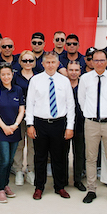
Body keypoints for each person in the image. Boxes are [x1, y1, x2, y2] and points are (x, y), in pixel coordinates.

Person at [24, 51, 75, 200]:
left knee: (59, 157)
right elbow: (30, 103)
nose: (51, 65)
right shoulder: (35, 80)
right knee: (40, 157)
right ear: (43, 64)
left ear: (58, 64)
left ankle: (59, 187)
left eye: (53, 62)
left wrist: (69, 126)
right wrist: (30, 124)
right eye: (48, 62)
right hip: (40, 123)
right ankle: (39, 187)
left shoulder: (64, 81)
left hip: (59, 123)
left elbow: (70, 105)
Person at [78, 49, 107, 205]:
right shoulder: (85, 78)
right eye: (95, 60)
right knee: (90, 158)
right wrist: (90, 114)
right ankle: (91, 189)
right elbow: (81, 99)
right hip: (91, 123)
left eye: (101, 60)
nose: (98, 63)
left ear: (106, 61)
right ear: (91, 62)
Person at [0, 64, 24, 203]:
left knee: (10, 161)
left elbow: (21, 110)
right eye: (3, 74)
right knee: (5, 159)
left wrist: (14, 126)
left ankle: (5, 184)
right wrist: (4, 127)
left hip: (14, 130)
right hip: (0, 130)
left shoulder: (18, 90)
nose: (6, 77)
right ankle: (0, 189)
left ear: (12, 75)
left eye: (8, 74)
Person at [12, 51, 39, 185]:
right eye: (25, 60)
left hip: (35, 116)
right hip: (18, 115)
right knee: (19, 144)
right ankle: (18, 170)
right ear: (20, 62)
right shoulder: (15, 77)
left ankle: (30, 170)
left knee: (33, 144)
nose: (28, 63)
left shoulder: (39, 76)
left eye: (30, 60)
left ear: (34, 62)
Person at [63, 62, 86, 191]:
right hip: (64, 124)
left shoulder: (84, 85)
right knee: (63, 153)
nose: (73, 72)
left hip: (81, 124)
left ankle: (78, 180)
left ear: (80, 71)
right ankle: (64, 179)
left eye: (76, 70)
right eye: (71, 69)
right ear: (66, 71)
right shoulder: (63, 85)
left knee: (79, 153)